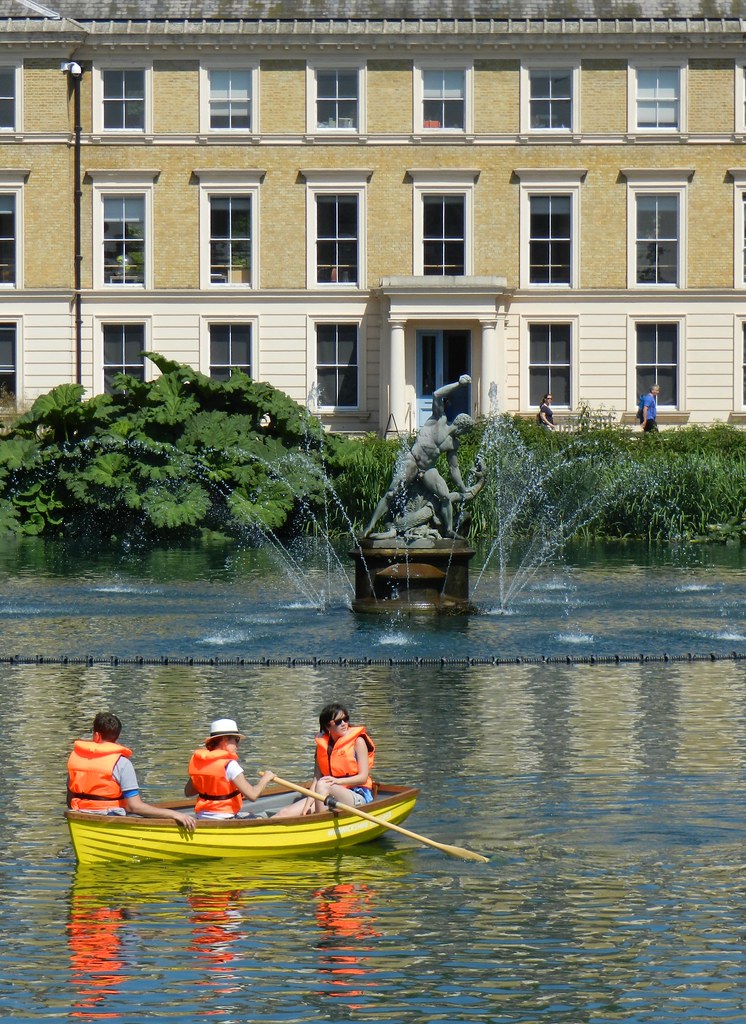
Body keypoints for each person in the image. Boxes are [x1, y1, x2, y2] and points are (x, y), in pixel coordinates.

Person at [363, 375, 474, 539]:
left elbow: (454, 468)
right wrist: (458, 384)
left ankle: (449, 529)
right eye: (466, 431)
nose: (465, 434)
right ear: (463, 426)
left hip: (428, 469)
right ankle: (370, 527)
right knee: (392, 493)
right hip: (413, 461)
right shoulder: (439, 419)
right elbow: (437, 394)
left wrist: (463, 488)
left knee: (444, 495)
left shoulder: (453, 444)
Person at [67, 711, 196, 832]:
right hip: (110, 818)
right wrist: (175, 814)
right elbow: (135, 807)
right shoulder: (121, 763)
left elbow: (70, 801)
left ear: (96, 735)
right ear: (117, 736)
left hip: (79, 817)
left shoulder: (76, 759)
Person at [273, 702, 375, 818]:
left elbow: (362, 777)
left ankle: (320, 823)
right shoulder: (322, 747)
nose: (344, 724)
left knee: (323, 784)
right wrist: (307, 805)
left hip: (356, 795)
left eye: (345, 719)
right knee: (284, 813)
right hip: (329, 793)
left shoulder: (358, 742)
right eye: (338, 722)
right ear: (327, 726)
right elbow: (316, 780)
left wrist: (336, 781)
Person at [185, 718, 275, 819]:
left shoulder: (200, 762)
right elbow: (253, 796)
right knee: (259, 818)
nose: (238, 746)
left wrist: (210, 784)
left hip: (201, 817)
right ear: (225, 740)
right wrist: (266, 779)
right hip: (225, 818)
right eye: (236, 740)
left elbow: (188, 792)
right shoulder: (230, 765)